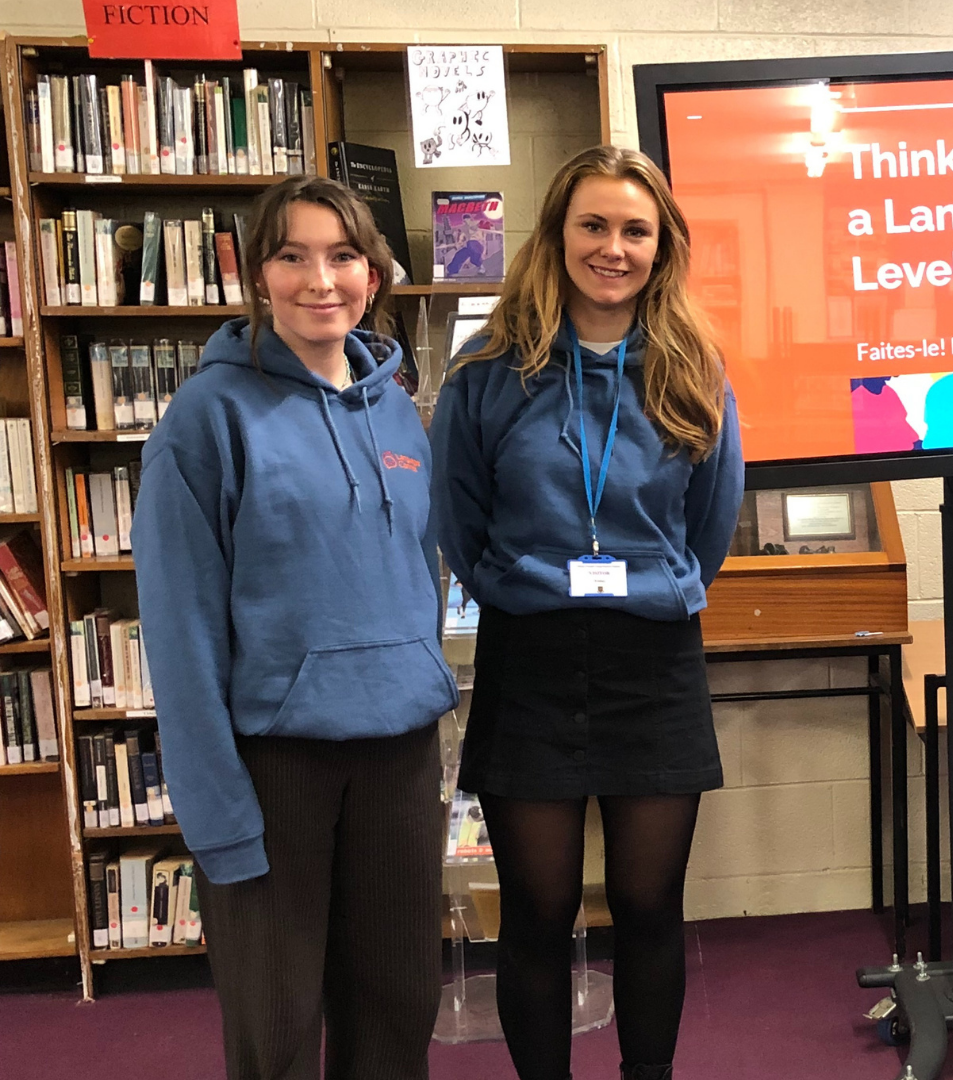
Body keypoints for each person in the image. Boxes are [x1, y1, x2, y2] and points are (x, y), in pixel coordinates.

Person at [429, 144, 743, 1080]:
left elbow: (709, 529)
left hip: (654, 662)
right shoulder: (489, 371)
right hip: (532, 659)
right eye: (594, 226)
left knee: (650, 907)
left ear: (662, 247)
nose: (614, 247)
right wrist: (531, 584)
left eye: (635, 230)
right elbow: (459, 519)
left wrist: (647, 585)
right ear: (557, 236)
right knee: (537, 910)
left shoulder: (692, 370)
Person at [133, 175, 458, 1080]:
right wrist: (219, 816)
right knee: (276, 1030)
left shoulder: (397, 407)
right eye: (292, 255)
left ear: (375, 271)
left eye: (344, 255)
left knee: (398, 1013)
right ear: (258, 274)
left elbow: (414, 576)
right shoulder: (208, 419)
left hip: (399, 756)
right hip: (277, 767)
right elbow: (180, 630)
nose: (321, 279)